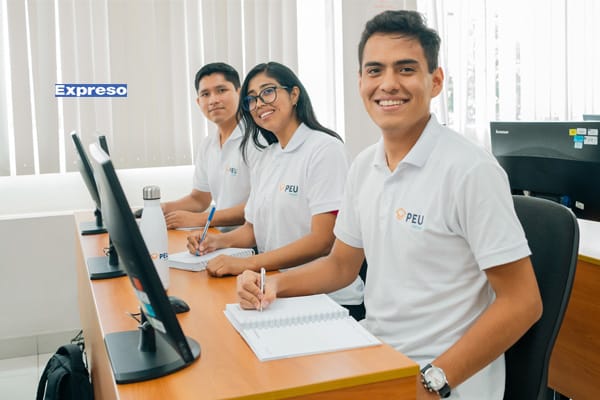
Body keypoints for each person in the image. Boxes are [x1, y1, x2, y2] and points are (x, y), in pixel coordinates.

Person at [235, 10, 542, 400]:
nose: (388, 84)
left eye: (406, 69)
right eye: (375, 70)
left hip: (444, 378)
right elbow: (341, 265)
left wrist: (433, 381)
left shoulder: (470, 170)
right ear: (361, 82)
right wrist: (273, 283)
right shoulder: (365, 166)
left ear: (435, 81)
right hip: (376, 354)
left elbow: (523, 302)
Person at [188, 61, 364, 315]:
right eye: (251, 99)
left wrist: (247, 263)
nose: (259, 103)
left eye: (268, 92)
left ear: (294, 94)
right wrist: (216, 241)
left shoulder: (324, 149)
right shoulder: (268, 155)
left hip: (327, 299)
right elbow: (252, 230)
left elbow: (323, 240)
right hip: (274, 290)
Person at [161, 62, 260, 230]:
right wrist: (161, 208)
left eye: (221, 90)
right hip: (219, 237)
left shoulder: (257, 140)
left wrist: (200, 219)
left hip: (251, 240)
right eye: (205, 94)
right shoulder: (208, 145)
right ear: (198, 101)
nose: (213, 100)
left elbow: (261, 205)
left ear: (239, 93)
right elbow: (199, 199)